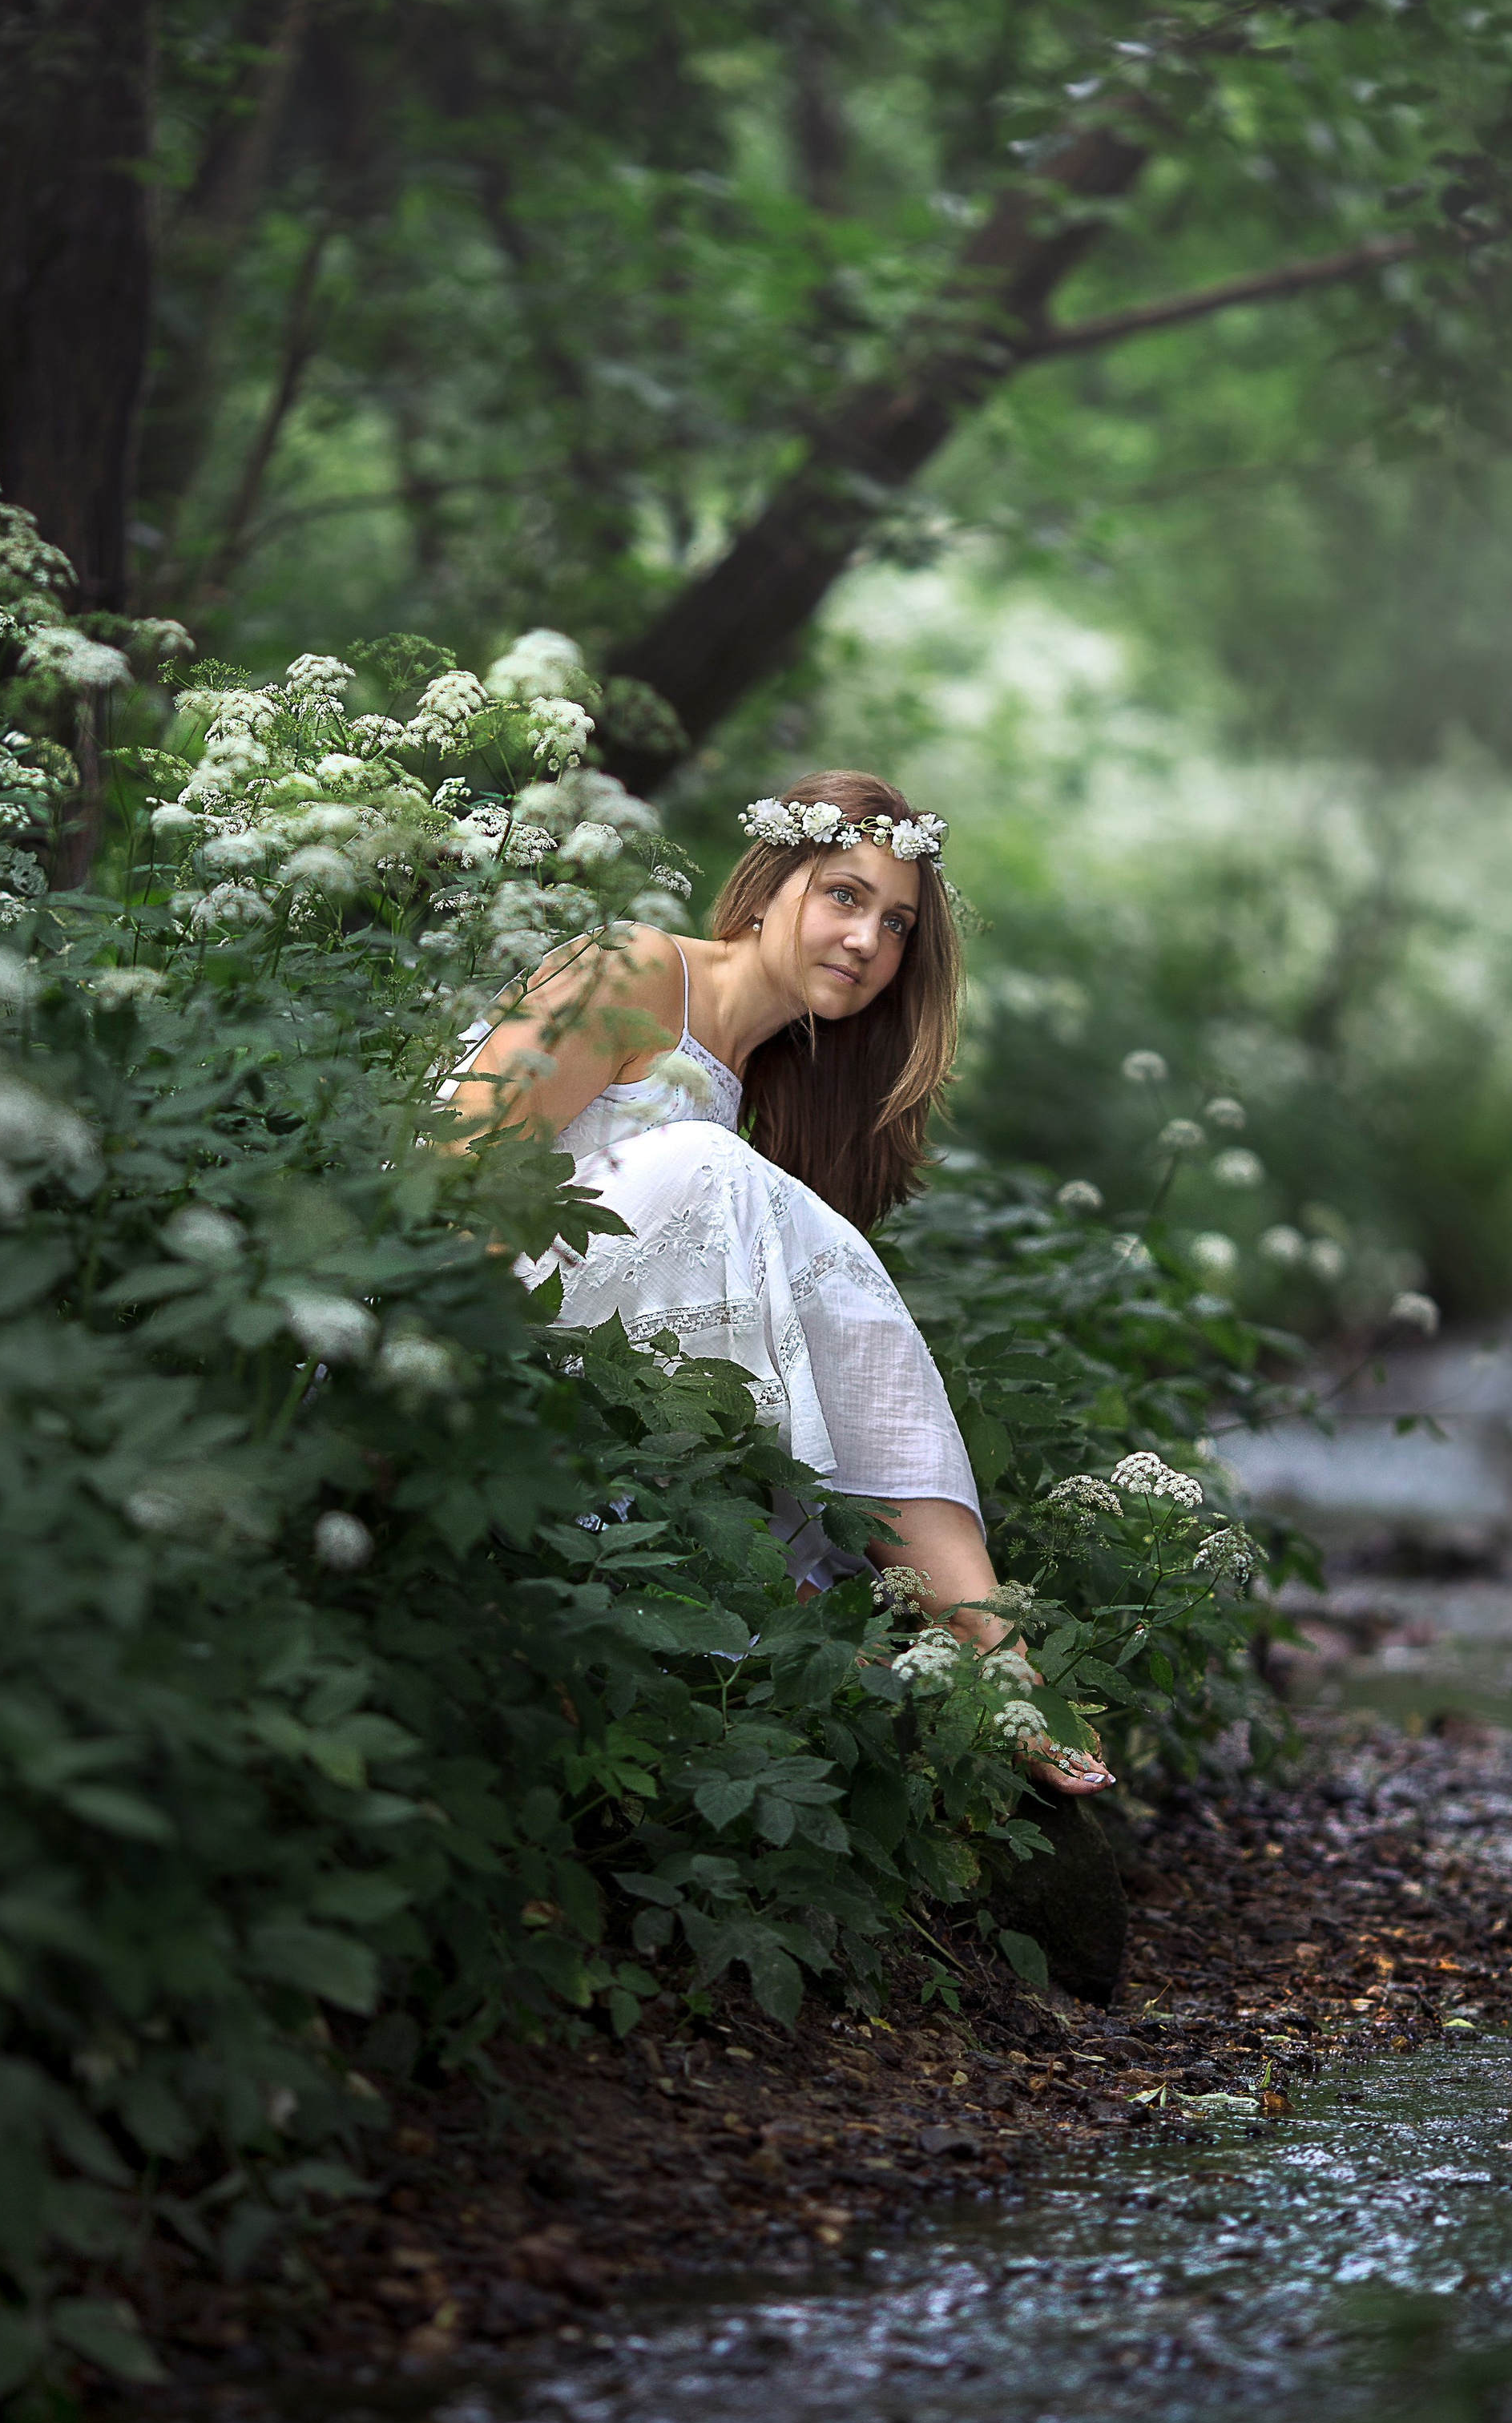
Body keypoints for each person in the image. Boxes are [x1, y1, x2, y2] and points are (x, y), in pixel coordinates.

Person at [448, 768, 1111, 1795]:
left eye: (895, 926)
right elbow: (456, 1167)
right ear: (765, 887)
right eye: (843, 896)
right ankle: (964, 1646)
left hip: (599, 1371)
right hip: (452, 1329)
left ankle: (964, 1651)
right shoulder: (631, 968)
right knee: (710, 1171)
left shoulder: (760, 1084)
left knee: (755, 1210)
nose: (865, 941)